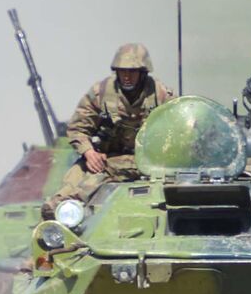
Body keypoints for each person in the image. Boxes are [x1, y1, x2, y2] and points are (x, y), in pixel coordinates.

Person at [41, 43, 172, 219]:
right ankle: (62, 214)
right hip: (107, 160)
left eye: (132, 71)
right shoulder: (100, 93)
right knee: (73, 183)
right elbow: (78, 128)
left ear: (143, 72)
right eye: (122, 71)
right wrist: (89, 152)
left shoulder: (161, 95)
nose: (126, 76)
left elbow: (179, 129)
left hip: (151, 162)